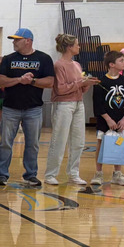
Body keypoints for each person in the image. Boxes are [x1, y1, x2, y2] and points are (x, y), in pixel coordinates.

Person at [0, 28, 55, 188]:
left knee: (33, 143)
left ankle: (30, 175)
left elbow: (50, 82)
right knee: (5, 142)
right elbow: (0, 81)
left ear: (28, 40)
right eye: (13, 40)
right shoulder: (8, 59)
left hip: (33, 108)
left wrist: (32, 81)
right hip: (10, 108)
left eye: (17, 39)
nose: (13, 42)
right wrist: (19, 80)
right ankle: (1, 174)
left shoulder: (44, 58)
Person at [44, 34, 98, 185]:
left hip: (78, 103)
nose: (79, 47)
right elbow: (60, 89)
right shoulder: (58, 65)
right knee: (59, 140)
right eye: (77, 44)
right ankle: (50, 174)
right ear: (69, 47)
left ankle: (73, 173)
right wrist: (80, 83)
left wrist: (87, 83)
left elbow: (80, 88)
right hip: (63, 104)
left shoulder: (77, 65)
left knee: (78, 141)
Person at [91, 50, 124, 186]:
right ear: (111, 64)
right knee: (101, 143)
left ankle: (117, 174)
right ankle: (98, 173)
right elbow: (97, 103)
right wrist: (108, 119)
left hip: (121, 119)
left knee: (119, 144)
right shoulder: (101, 82)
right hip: (105, 120)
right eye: (121, 61)